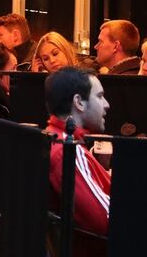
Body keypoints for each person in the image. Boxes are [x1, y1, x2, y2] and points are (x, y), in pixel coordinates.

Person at [44, 67, 111, 240]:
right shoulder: (67, 150)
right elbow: (106, 220)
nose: (106, 104)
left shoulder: (54, 137)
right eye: (100, 96)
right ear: (79, 102)